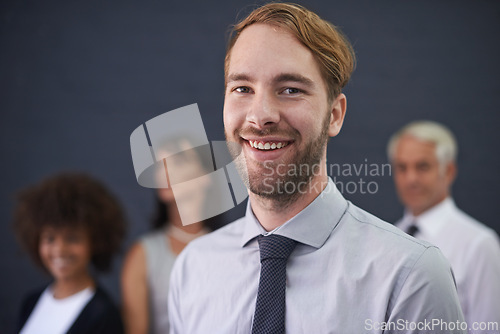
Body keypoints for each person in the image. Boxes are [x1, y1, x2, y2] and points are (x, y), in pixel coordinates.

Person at [168, 3, 465, 333]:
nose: (260, 115)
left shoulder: (411, 276)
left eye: (291, 89)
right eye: (243, 89)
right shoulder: (193, 270)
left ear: (335, 115)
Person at [388, 120, 500, 328]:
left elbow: (488, 327)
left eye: (423, 167)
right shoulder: (388, 238)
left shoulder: (478, 244)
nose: (410, 178)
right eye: (402, 168)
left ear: (448, 171)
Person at [121, 138, 224, 334]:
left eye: (178, 162)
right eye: (160, 165)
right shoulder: (142, 254)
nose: (164, 173)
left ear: (207, 176)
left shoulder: (235, 248)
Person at [13, 172, 126, 334]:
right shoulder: (31, 303)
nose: (59, 250)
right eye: (50, 238)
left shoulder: (103, 315)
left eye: (72, 238)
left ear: (95, 242)